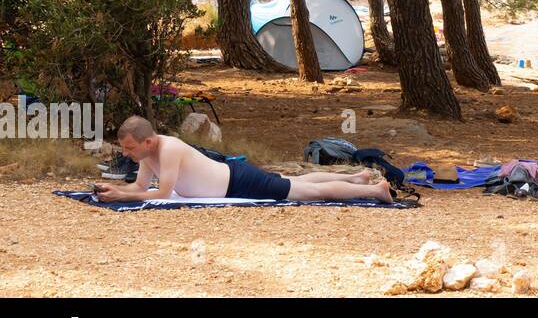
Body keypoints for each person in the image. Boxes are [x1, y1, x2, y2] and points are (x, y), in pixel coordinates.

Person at [93, 116, 394, 204]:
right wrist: (115, 192)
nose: (127, 154)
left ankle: (374, 191)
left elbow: (159, 193)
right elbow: (139, 186)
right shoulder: (148, 154)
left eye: (130, 148)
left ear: (147, 141)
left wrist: (122, 195)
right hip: (232, 176)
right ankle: (356, 179)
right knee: (293, 182)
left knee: (306, 192)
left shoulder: (168, 149)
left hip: (237, 181)